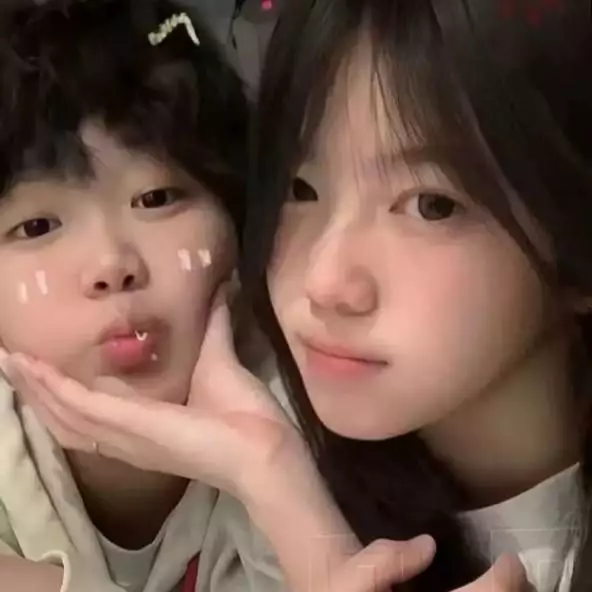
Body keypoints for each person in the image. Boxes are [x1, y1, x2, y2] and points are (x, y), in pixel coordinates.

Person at [7, 0, 589, 591]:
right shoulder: (297, 447)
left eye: (431, 205)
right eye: (301, 188)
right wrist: (272, 478)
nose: (324, 281)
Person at [0, 0, 283, 590]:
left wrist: (273, 475)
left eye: (156, 199)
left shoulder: (310, 413)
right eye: (37, 226)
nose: (112, 265)